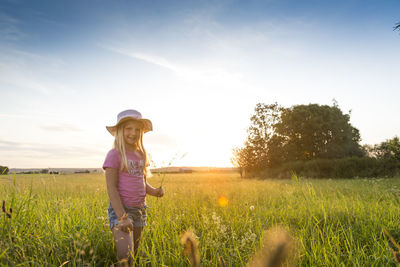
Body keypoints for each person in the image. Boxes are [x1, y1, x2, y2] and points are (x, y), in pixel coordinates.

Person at [103, 109, 164, 266]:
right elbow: (112, 188)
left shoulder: (141, 154)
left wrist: (154, 191)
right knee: (126, 259)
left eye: (138, 129)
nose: (133, 133)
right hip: (122, 210)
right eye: (128, 128)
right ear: (120, 131)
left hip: (140, 210)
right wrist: (122, 217)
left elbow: (141, 182)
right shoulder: (115, 154)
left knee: (133, 255)